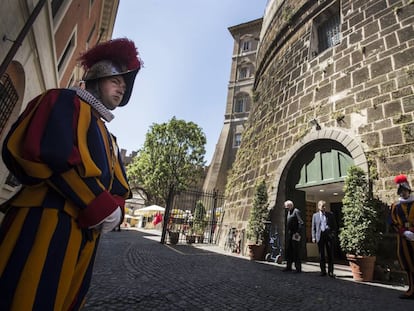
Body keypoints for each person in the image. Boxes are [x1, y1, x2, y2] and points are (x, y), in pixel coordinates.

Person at [0, 38, 142, 310]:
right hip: (45, 218)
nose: (123, 87)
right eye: (117, 79)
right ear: (96, 77)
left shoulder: (109, 136)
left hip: (85, 236)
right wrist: (99, 204)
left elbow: (120, 187)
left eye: (125, 84)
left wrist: (117, 210)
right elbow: (48, 152)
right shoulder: (62, 100)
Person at [390, 174, 414, 299]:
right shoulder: (395, 206)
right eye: (401, 191)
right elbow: (393, 223)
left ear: (408, 190)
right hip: (404, 239)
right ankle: (412, 288)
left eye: (404, 191)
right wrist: (404, 232)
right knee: (408, 264)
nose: (403, 193)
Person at [312, 200, 337, 277]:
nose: (324, 208)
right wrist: (313, 237)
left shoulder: (330, 215)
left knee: (330, 254)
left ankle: (331, 271)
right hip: (320, 236)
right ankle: (323, 271)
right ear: (319, 207)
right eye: (323, 206)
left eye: (325, 206)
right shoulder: (315, 216)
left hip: (328, 236)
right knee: (321, 255)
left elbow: (334, 226)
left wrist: (332, 234)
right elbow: (313, 227)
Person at [283, 200, 304, 273]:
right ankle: (289, 266)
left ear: (290, 205)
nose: (286, 208)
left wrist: (298, 232)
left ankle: (298, 268)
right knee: (289, 251)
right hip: (290, 234)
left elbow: (301, 222)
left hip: (295, 234)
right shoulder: (289, 212)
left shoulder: (296, 211)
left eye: (287, 207)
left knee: (296, 251)